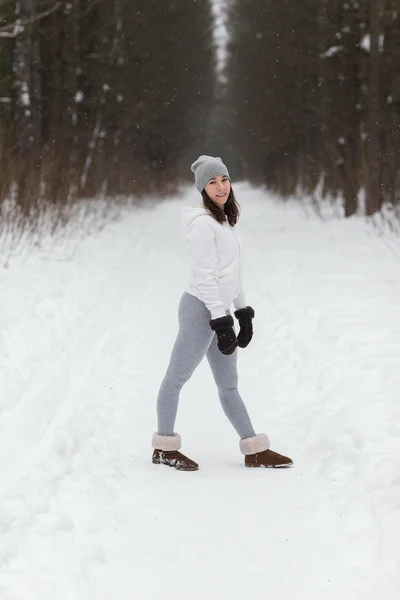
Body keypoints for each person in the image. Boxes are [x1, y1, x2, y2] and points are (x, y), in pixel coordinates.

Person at [151, 155, 293, 471]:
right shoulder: (203, 225)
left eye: (224, 180)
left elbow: (231, 273)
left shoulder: (224, 222)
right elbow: (205, 276)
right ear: (203, 189)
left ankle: (254, 449)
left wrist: (241, 311)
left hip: (220, 311)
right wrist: (219, 317)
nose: (220, 187)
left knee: (229, 384)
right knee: (176, 378)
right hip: (199, 311)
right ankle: (163, 447)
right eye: (212, 182)